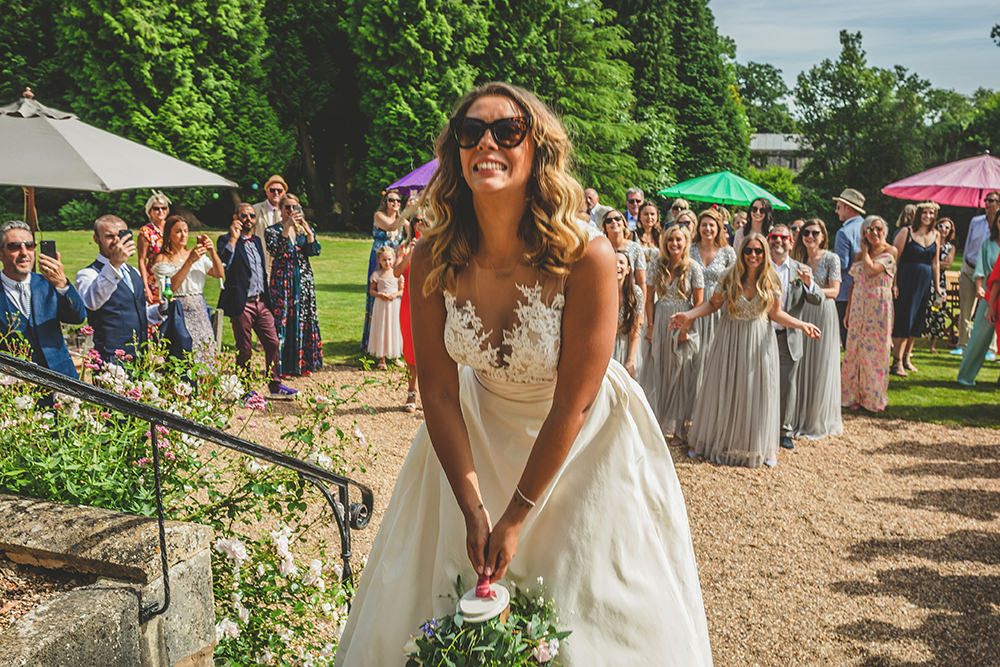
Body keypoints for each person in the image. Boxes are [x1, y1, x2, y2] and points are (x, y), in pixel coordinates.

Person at [336, 82, 712, 666]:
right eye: (470, 131)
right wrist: (472, 506)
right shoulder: (434, 253)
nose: (486, 141)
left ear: (535, 148)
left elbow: (574, 404)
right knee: (439, 604)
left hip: (583, 443)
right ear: (456, 152)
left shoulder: (587, 255)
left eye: (506, 130)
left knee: (586, 607)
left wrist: (514, 515)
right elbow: (435, 387)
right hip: (473, 431)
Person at [672, 233, 820, 468]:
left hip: (759, 340)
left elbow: (775, 314)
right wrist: (688, 316)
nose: (753, 255)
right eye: (749, 251)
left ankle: (760, 445)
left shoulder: (771, 279)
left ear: (764, 254)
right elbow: (712, 305)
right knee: (723, 386)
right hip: (729, 338)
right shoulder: (729, 277)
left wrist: (801, 325)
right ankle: (708, 440)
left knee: (756, 390)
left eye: (758, 251)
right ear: (741, 253)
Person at [217, 203, 296, 399]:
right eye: (244, 215)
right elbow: (222, 264)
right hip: (242, 303)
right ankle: (244, 389)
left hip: (261, 302)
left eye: (252, 216)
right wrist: (234, 240)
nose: (249, 219)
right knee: (245, 348)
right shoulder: (225, 240)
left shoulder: (257, 240)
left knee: (273, 343)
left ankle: (275, 385)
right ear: (236, 216)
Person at [641, 225, 703, 446]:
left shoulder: (694, 268)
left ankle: (679, 429)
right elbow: (648, 298)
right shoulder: (657, 265)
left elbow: (699, 303)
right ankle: (657, 424)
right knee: (659, 370)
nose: (674, 244)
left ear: (686, 242)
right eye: (670, 240)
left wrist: (686, 329)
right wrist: (649, 326)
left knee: (681, 373)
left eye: (679, 240)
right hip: (660, 319)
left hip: (683, 319)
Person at [0, 220, 86, 378]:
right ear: (1, 253)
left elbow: (78, 317)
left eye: (30, 245)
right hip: (14, 388)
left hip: (62, 380)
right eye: (14, 246)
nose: (24, 252)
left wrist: (62, 284)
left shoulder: (49, 283)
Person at [767, 224, 822, 451]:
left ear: (791, 242)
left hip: (788, 336)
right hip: (762, 334)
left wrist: (809, 283)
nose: (778, 241)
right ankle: (762, 426)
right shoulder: (758, 265)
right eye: (774, 237)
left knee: (787, 385)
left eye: (783, 238)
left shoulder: (800, 269)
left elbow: (817, 299)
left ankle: (784, 431)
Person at [789, 219, 843, 440]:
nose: (810, 236)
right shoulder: (797, 259)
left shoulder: (831, 258)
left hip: (822, 312)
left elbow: (835, 291)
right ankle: (796, 416)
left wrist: (812, 288)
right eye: (805, 233)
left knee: (820, 363)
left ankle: (816, 418)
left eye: (814, 233)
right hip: (801, 313)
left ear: (823, 236)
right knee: (799, 364)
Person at [74, 215, 152, 365]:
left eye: (121, 235)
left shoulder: (133, 271)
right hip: (110, 359)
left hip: (140, 357)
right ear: (96, 239)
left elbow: (138, 310)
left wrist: (159, 310)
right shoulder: (88, 274)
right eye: (110, 236)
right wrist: (114, 265)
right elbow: (92, 302)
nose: (117, 241)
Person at [842, 216, 898, 412]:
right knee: (855, 350)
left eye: (878, 229)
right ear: (864, 233)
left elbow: (872, 270)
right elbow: (854, 283)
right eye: (870, 229)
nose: (874, 233)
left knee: (875, 351)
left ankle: (873, 397)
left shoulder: (890, 252)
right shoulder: (858, 256)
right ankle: (852, 395)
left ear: (884, 231)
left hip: (878, 306)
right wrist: (848, 310)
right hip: (859, 304)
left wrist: (865, 251)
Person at [152, 215, 224, 363]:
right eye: (178, 231)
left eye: (186, 230)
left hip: (199, 309)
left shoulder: (196, 254)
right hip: (178, 311)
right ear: (169, 235)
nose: (183, 235)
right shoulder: (163, 259)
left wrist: (211, 251)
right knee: (182, 354)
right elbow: (171, 287)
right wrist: (189, 261)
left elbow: (219, 273)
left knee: (205, 355)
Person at [266, 193, 323, 378]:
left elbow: (314, 251)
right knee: (282, 320)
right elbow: (276, 250)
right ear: (281, 210)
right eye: (287, 207)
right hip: (282, 281)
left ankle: (304, 363)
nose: (291, 211)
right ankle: (281, 367)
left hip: (303, 280)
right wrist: (286, 228)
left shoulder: (303, 229)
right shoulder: (272, 230)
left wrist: (308, 232)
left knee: (304, 318)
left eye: (294, 207)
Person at [891, 201, 942, 375]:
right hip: (907, 279)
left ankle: (907, 358)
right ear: (918, 214)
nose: (928, 216)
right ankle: (896, 361)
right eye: (925, 213)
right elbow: (894, 260)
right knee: (904, 319)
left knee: (917, 321)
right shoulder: (907, 232)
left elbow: (935, 263)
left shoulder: (936, 234)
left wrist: (937, 286)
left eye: (931, 213)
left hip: (925, 282)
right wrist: (894, 283)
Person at [957, 209, 1000, 386]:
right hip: (990, 295)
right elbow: (980, 269)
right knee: (978, 338)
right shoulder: (987, 244)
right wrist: (979, 288)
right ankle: (965, 377)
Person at [689, 208, 736, 362]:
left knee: (714, 351)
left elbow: (734, 280)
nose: (707, 229)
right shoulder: (690, 249)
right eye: (704, 225)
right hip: (693, 302)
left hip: (718, 306)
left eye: (711, 225)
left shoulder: (727, 252)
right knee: (694, 353)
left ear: (718, 229)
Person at [361, 189, 404, 350]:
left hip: (394, 260)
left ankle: (392, 341)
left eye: (398, 201)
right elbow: (391, 226)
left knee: (394, 294)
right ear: (385, 202)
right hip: (378, 259)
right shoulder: (379, 216)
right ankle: (372, 340)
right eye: (391, 200)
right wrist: (406, 213)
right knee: (376, 293)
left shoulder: (401, 219)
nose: (395, 204)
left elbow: (408, 233)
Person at [394, 211, 423, 412]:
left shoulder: (437, 245)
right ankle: (411, 392)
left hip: (432, 301)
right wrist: (411, 253)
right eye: (417, 220)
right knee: (411, 348)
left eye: (424, 220)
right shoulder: (404, 248)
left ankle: (433, 396)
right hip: (409, 303)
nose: (420, 223)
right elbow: (396, 272)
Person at [832, 188, 866, 347]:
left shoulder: (844, 232)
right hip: (867, 289)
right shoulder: (869, 228)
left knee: (848, 337)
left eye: (838, 207)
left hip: (846, 291)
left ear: (848, 208)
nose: (836, 211)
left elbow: (841, 264)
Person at [367, 246, 404, 370]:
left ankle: (395, 356)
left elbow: (402, 290)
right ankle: (381, 358)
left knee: (393, 328)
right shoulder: (377, 274)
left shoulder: (397, 274)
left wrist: (395, 294)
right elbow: (371, 291)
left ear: (393, 259)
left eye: (389, 259)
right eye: (384, 260)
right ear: (379, 260)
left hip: (394, 305)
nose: (387, 262)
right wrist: (380, 294)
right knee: (382, 327)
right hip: (381, 305)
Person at [603, 208, 647, 307]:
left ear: (624, 224)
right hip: (606, 298)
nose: (614, 222)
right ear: (605, 227)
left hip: (629, 301)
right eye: (609, 220)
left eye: (617, 219)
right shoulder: (602, 247)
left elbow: (641, 282)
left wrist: (641, 311)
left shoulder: (635, 248)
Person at [924, 217, 956, 353]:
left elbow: (947, 264)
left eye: (947, 227)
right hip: (925, 279)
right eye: (941, 226)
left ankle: (933, 345)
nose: (943, 229)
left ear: (950, 232)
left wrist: (932, 263)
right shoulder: (928, 242)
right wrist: (935, 264)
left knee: (937, 310)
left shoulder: (951, 247)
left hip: (940, 282)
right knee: (923, 308)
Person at [136, 191, 170, 305]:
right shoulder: (146, 232)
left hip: (173, 275)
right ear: (149, 211)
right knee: (157, 312)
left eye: (164, 208)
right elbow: (141, 260)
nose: (161, 211)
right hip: (154, 278)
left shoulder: (173, 227)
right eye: (156, 208)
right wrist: (145, 286)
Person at [613, 250, 643, 378]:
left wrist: (630, 360)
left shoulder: (636, 293)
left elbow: (634, 331)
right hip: (605, 346)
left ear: (628, 269)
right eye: (614, 262)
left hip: (626, 347)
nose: (617, 265)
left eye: (621, 262)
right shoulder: (601, 289)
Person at [252, 175, 288, 276]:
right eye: (272, 190)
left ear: (284, 193)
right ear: (267, 192)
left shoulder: (290, 210)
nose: (276, 193)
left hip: (283, 264)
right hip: (260, 261)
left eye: (279, 190)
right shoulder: (255, 209)